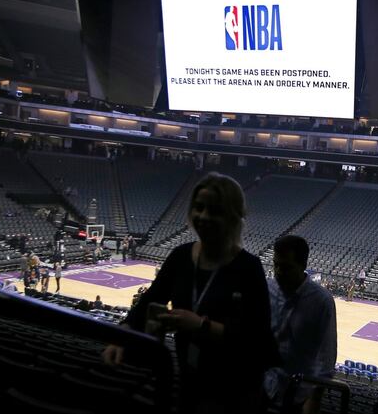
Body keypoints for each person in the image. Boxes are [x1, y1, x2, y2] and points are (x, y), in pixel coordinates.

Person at [102, 172, 278, 413]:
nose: (203, 216)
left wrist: (201, 325)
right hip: (188, 376)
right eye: (199, 207)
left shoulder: (248, 268)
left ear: (232, 216)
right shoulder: (180, 256)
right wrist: (123, 334)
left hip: (235, 388)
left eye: (214, 210)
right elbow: (150, 301)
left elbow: (258, 341)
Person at [265, 235, 337, 414]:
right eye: (276, 265)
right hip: (263, 391)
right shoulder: (266, 289)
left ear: (303, 265)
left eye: (287, 267)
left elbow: (326, 358)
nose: (279, 272)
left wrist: (313, 402)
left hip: (297, 399)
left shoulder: (322, 301)